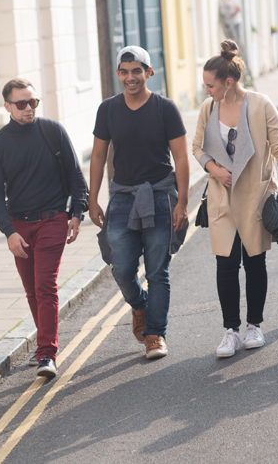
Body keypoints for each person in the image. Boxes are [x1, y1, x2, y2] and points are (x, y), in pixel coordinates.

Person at [192, 40, 278, 358]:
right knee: (225, 264)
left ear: (228, 82)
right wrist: (213, 168)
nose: (206, 91)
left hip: (255, 197)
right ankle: (230, 331)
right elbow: (197, 147)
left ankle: (254, 325)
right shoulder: (208, 108)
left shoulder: (261, 103)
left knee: (255, 261)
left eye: (210, 85)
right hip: (221, 200)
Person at [89, 46, 190, 359]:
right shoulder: (108, 109)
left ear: (149, 72)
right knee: (121, 267)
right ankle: (140, 305)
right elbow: (98, 155)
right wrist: (92, 200)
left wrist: (182, 202)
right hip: (122, 196)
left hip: (160, 194)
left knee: (158, 271)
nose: (130, 77)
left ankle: (155, 334)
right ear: (118, 74)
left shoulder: (165, 108)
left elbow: (182, 157)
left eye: (137, 70)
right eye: (124, 71)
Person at [0, 78, 88, 378]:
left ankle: (46, 353)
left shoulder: (52, 131)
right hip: (19, 226)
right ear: (8, 107)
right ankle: (45, 342)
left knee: (45, 286)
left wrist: (77, 213)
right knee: (32, 290)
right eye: (21, 103)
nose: (29, 107)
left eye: (33, 102)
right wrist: (8, 232)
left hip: (52, 219)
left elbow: (75, 174)